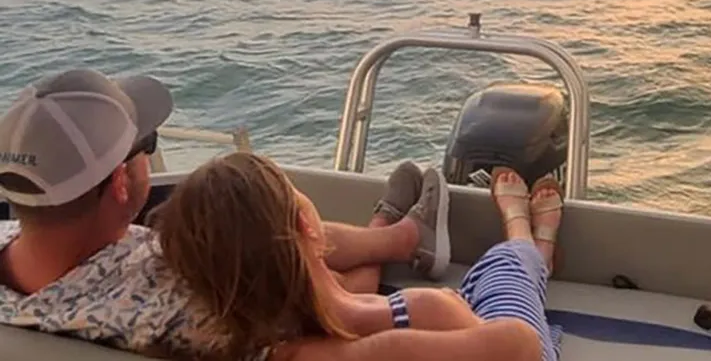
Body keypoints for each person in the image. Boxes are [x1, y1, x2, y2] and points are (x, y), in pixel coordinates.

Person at [0, 68, 449, 358]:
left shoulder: (23, 265)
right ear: (120, 182)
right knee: (262, 232)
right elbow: (337, 328)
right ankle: (389, 239)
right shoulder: (185, 306)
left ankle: (392, 238)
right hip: (302, 314)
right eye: (147, 144)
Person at [151, 150, 565, 361]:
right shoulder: (401, 325)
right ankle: (526, 243)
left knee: (474, 286)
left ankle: (527, 253)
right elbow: (519, 345)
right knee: (503, 276)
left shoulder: (252, 322)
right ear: (308, 227)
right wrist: (418, 308)